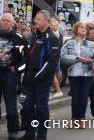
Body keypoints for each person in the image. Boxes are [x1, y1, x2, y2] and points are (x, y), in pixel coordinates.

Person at [21, 10, 60, 140]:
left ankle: (42, 136)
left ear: (46, 21)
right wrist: (26, 74)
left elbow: (52, 62)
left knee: (42, 108)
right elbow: (29, 56)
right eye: (35, 19)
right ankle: (30, 133)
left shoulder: (52, 37)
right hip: (31, 78)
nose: (35, 21)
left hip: (42, 80)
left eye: (38, 19)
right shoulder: (36, 36)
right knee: (27, 107)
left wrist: (38, 75)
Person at [60, 21, 94, 129]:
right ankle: (74, 119)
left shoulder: (92, 43)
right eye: (81, 27)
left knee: (83, 97)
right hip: (73, 73)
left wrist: (91, 61)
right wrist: (78, 58)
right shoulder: (69, 43)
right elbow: (62, 57)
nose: (84, 29)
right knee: (75, 97)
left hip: (87, 74)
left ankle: (81, 119)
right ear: (76, 29)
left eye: (85, 28)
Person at [0, 13, 27, 140]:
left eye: (7, 21)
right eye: (3, 20)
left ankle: (13, 131)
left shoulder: (19, 38)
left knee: (11, 104)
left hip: (10, 75)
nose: (5, 22)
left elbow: (26, 58)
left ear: (12, 23)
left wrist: (16, 68)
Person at [49, 18, 64, 99]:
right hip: (57, 56)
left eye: (54, 25)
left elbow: (58, 46)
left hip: (54, 56)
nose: (52, 26)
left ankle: (58, 90)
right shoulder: (59, 35)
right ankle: (55, 88)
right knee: (57, 72)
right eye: (51, 25)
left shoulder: (54, 35)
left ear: (57, 26)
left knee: (53, 74)